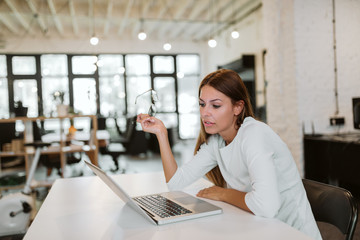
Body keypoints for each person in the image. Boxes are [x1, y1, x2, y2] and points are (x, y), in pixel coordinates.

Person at [137, 69, 322, 240]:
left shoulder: (254, 134)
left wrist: (225, 194)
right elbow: (175, 183)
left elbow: (267, 206)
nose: (205, 113)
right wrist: (161, 134)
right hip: (260, 228)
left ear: (237, 107)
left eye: (215, 105)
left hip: (292, 233)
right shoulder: (217, 142)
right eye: (202, 104)